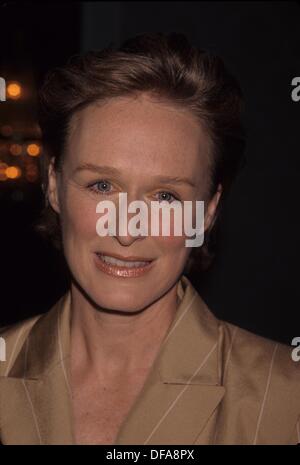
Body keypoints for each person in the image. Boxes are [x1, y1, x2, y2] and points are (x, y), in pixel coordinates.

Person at [0, 32, 299, 445]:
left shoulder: (288, 396)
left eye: (165, 196)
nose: (126, 229)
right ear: (53, 185)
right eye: (102, 186)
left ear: (208, 211)